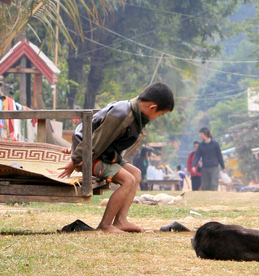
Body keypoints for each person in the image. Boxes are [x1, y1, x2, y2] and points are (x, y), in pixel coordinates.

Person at [59, 81, 175, 232]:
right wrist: (74, 161)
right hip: (90, 156)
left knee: (136, 174)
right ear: (152, 107)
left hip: (104, 154)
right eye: (160, 114)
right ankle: (105, 225)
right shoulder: (122, 114)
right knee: (128, 180)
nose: (158, 117)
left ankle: (121, 221)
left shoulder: (134, 113)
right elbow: (95, 141)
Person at [194, 126, 225, 191]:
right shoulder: (201, 145)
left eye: (201, 134)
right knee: (205, 185)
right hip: (205, 167)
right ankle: (206, 199)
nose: (200, 136)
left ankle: (214, 198)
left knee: (214, 183)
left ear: (205, 134)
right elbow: (197, 156)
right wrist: (193, 165)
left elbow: (219, 156)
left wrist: (223, 167)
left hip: (214, 167)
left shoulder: (215, 144)